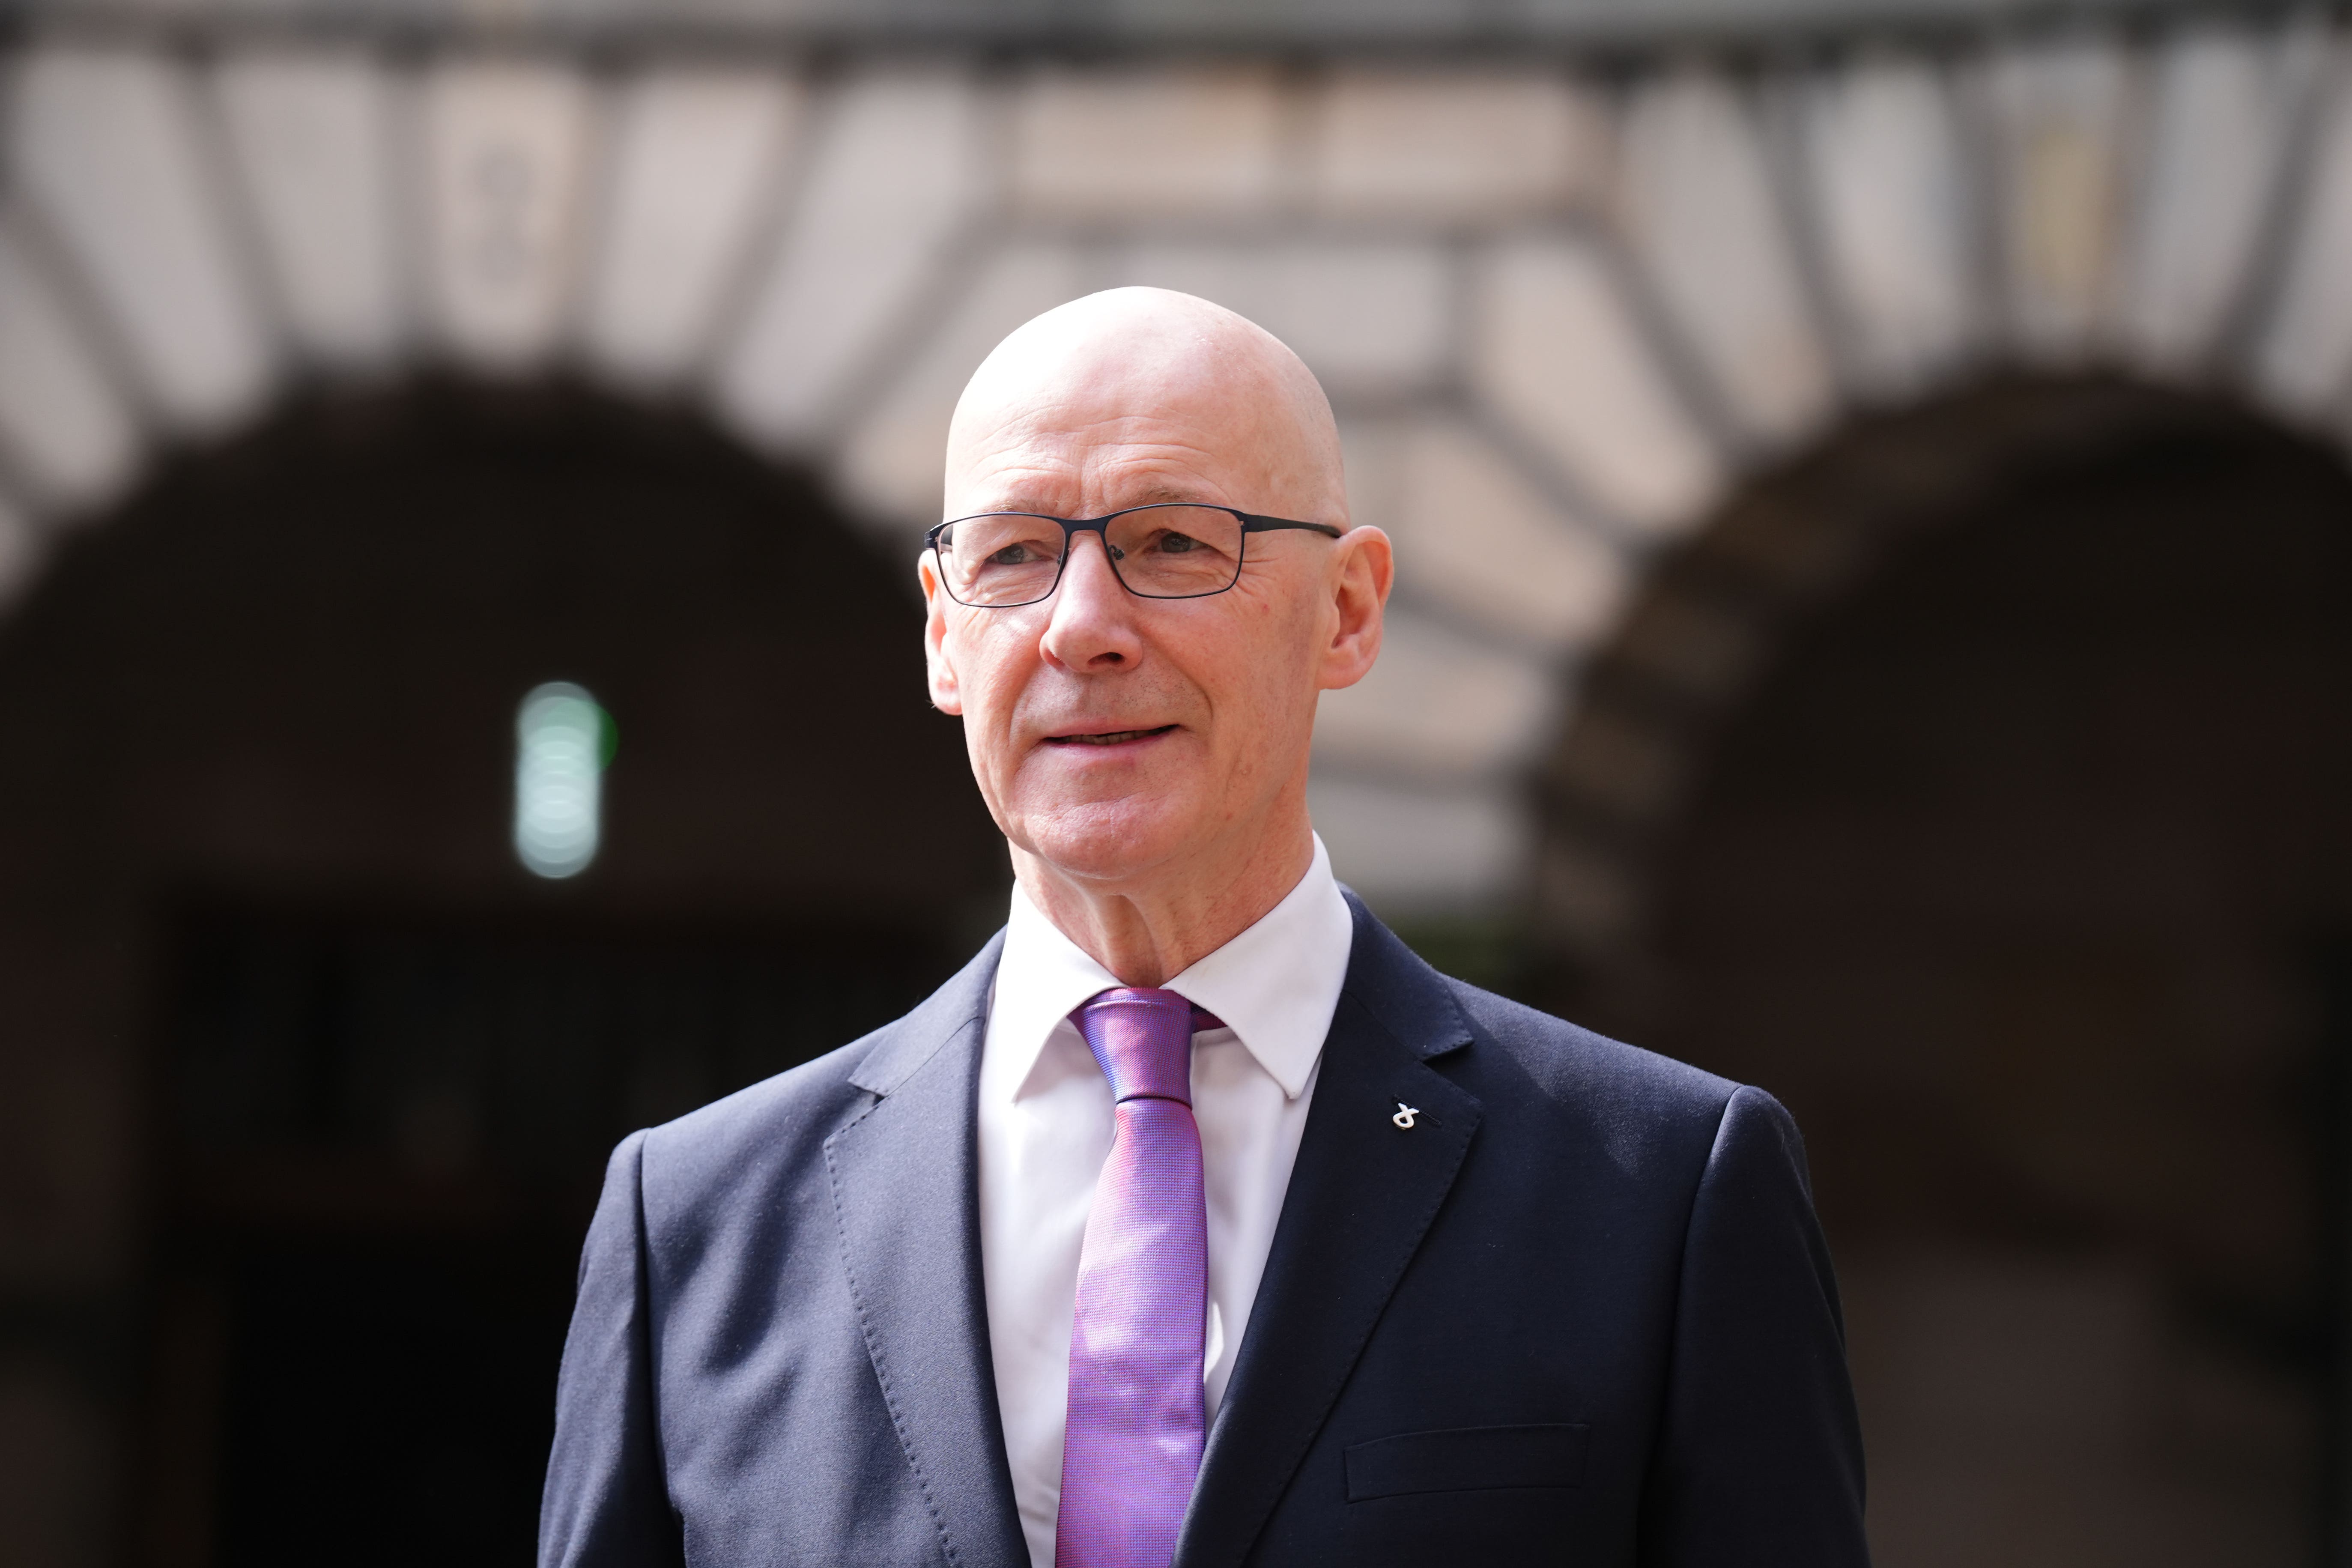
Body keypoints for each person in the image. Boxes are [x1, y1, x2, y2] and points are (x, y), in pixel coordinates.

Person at [538, 288, 1868, 1567]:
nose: (1081, 629)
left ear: (1346, 611)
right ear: (946, 641)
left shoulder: (1657, 1193)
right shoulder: (695, 1224)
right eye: (1012, 555)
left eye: (1174, 543)